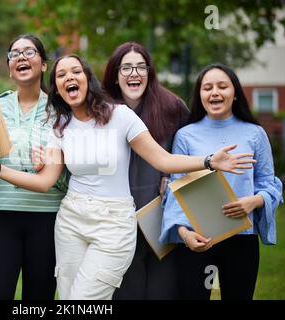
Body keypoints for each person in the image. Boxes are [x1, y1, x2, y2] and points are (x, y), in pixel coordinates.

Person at [0, 55, 255, 300]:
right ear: (56, 86)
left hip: (115, 224)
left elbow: (162, 159)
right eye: (61, 75)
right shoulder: (59, 125)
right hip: (71, 220)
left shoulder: (120, 117)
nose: (69, 77)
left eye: (75, 71)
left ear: (87, 79)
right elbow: (45, 181)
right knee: (69, 294)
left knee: (84, 298)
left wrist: (208, 161)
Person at [159, 63, 283, 300]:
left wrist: (254, 202)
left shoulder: (255, 134)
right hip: (196, 240)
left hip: (241, 240)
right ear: (200, 95)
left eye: (222, 86)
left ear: (235, 93)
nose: (214, 92)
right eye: (207, 88)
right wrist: (184, 234)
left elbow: (269, 183)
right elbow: (176, 189)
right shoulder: (185, 135)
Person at [0, 34, 66, 300]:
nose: (21, 57)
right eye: (14, 54)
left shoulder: (61, 111)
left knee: (38, 298)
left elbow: (68, 177)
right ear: (9, 66)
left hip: (47, 217)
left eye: (29, 52)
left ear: (43, 65)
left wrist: (50, 169)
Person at [102, 41, 189, 299]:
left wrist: (170, 176)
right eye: (126, 68)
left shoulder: (172, 107)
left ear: (150, 73)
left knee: (161, 291)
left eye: (141, 67)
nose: (134, 74)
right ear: (115, 75)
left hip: (161, 217)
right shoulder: (101, 111)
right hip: (116, 220)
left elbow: (189, 149)